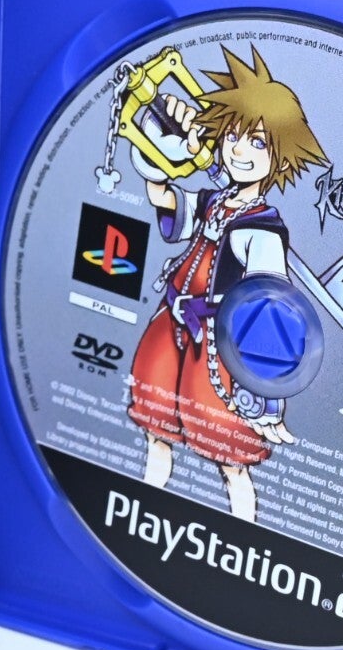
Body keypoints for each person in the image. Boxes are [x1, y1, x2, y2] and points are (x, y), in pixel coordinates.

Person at [127, 46, 327, 522]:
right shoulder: (214, 201)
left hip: (216, 348)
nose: (239, 150)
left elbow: (271, 316)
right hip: (171, 327)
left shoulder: (264, 228)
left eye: (257, 143)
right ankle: (140, 508)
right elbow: (166, 201)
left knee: (231, 460)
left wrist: (267, 397)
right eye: (233, 136)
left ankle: (245, 534)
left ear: (280, 160)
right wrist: (159, 155)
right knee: (155, 429)